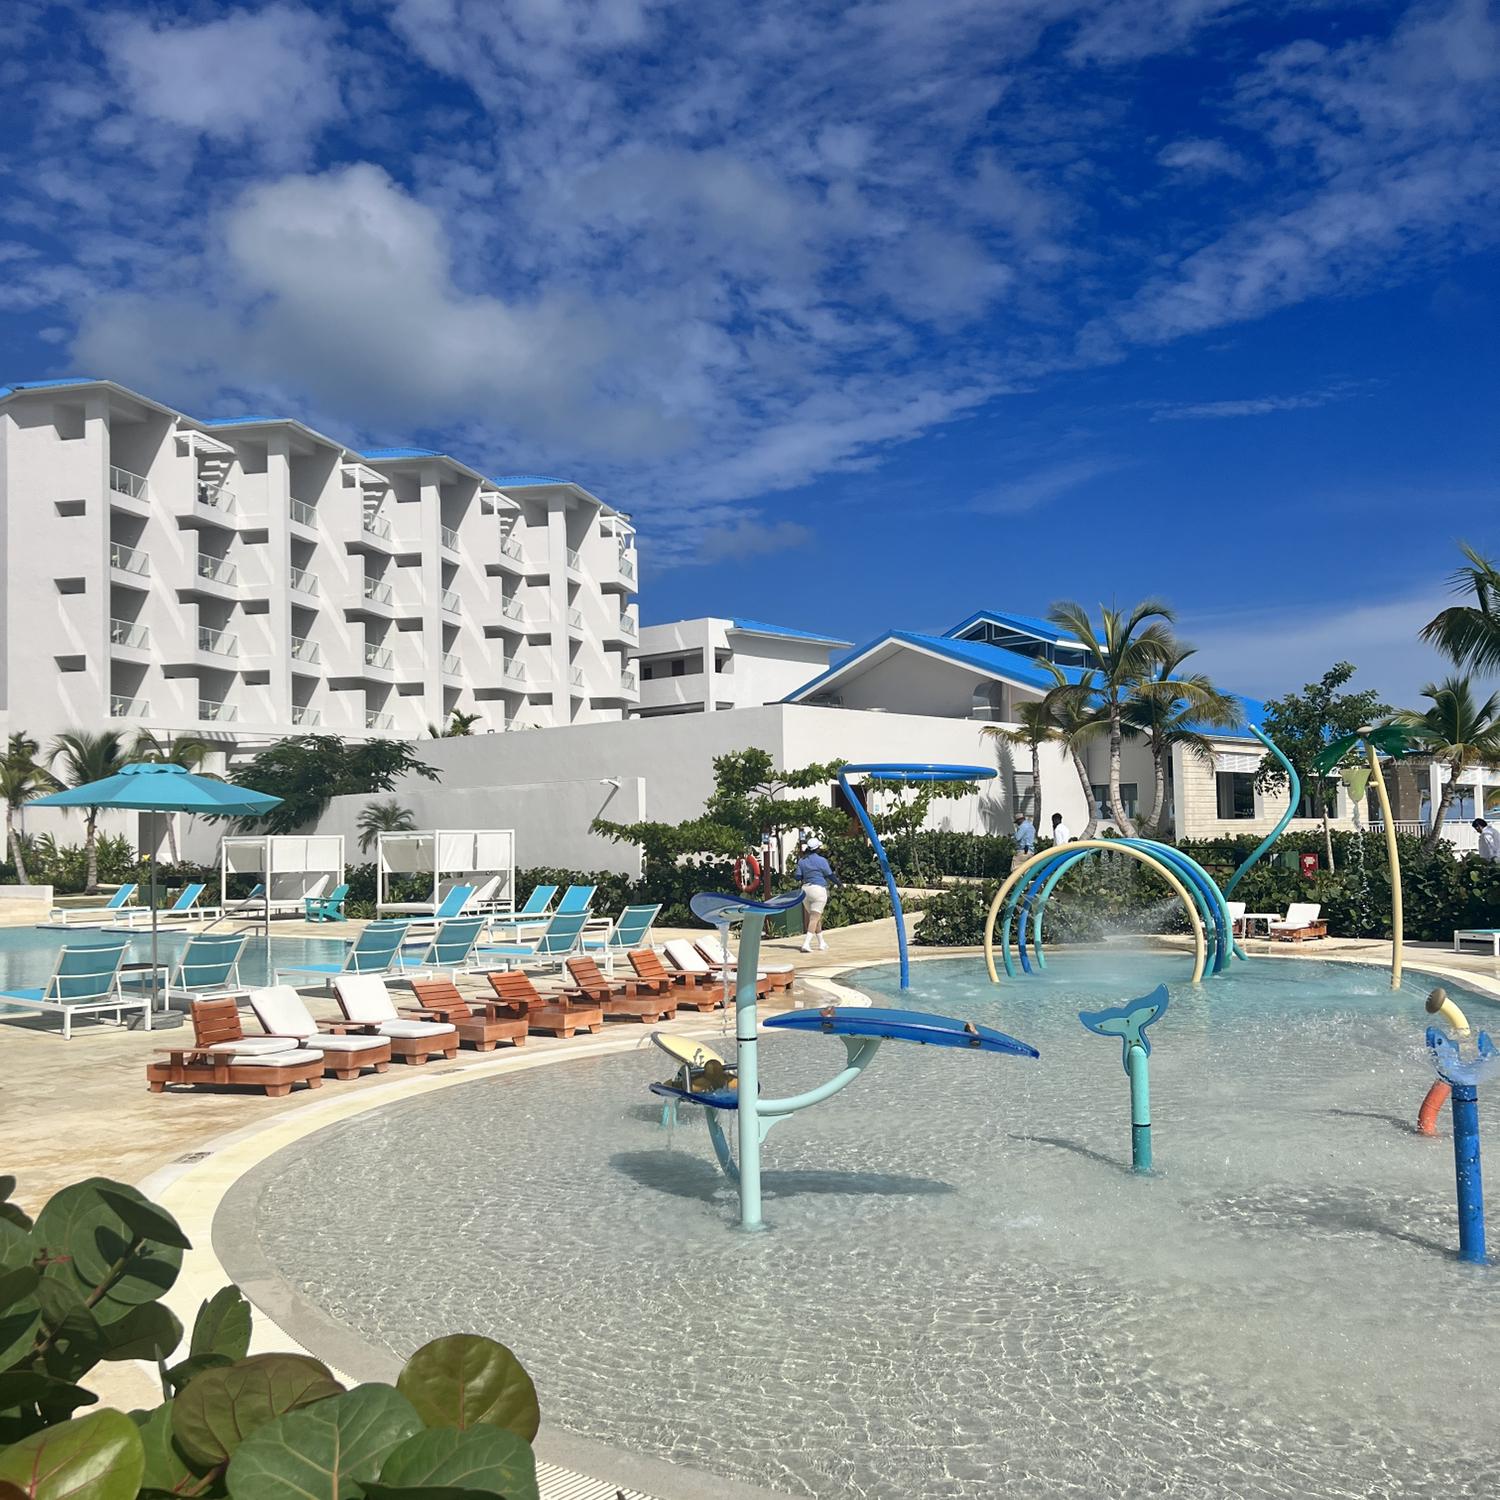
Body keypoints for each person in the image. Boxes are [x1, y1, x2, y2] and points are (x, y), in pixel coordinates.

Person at [795, 837, 840, 953]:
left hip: (805, 890)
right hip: (818, 890)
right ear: (817, 849)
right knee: (815, 917)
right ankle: (806, 943)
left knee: (815, 917)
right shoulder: (822, 860)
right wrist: (839, 884)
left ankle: (821, 942)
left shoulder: (801, 861)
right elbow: (830, 875)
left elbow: (798, 877)